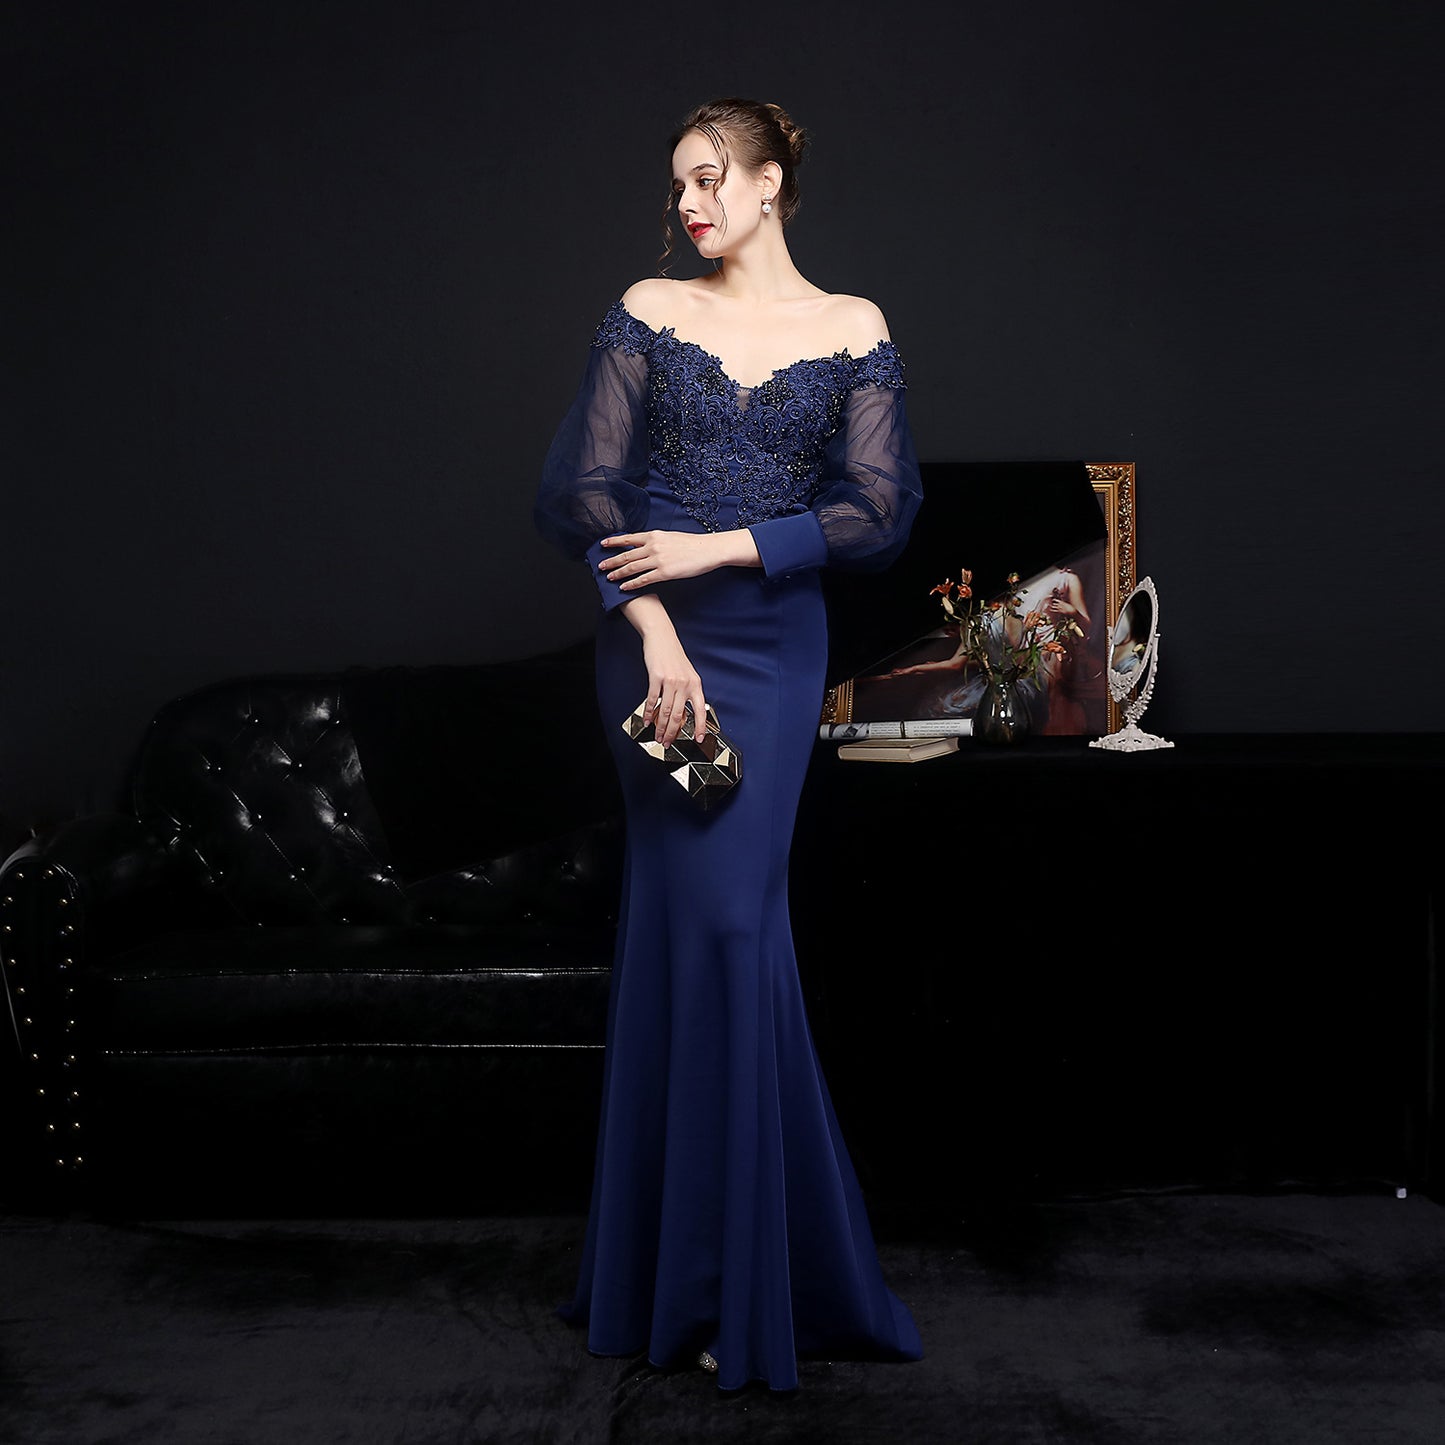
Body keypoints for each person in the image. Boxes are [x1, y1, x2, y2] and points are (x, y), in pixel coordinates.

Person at [534, 97, 925, 1393]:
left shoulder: (852, 325)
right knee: (694, 929)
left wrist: (724, 546)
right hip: (657, 647)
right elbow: (583, 494)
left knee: (736, 932)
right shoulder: (649, 308)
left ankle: (739, 1276)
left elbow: (877, 512)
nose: (690, 203)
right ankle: (699, 1278)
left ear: (769, 185)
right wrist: (653, 628)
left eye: (710, 179)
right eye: (680, 184)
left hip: (775, 649)